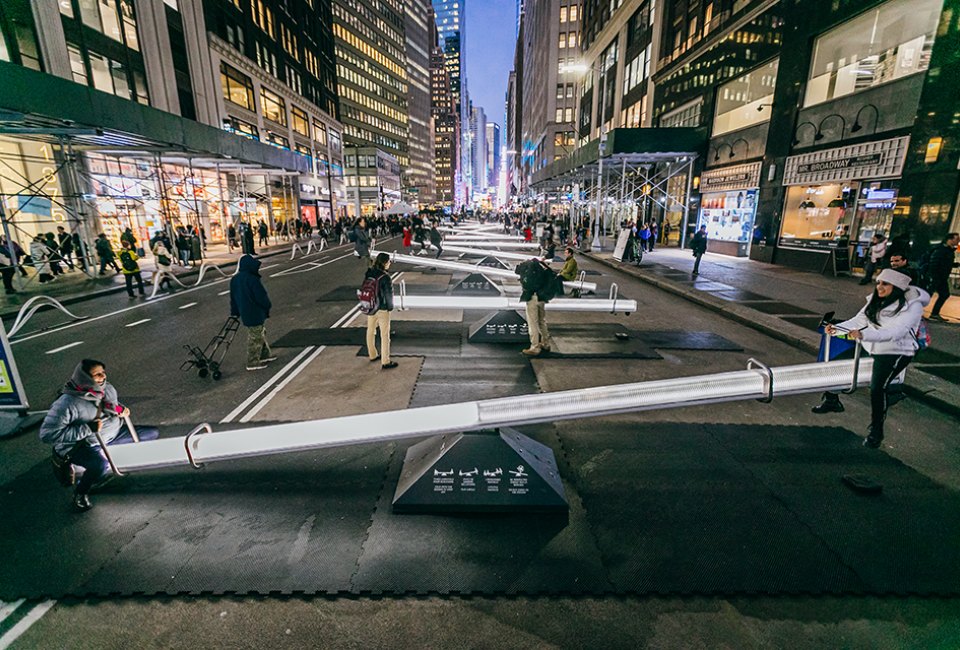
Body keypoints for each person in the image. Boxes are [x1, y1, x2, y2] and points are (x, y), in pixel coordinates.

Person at [812, 269, 929, 448]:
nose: (879, 287)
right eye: (878, 283)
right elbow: (857, 321)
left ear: (896, 287)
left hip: (897, 350)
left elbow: (895, 332)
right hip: (873, 344)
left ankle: (876, 430)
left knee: (877, 388)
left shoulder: (910, 308)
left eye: (885, 284)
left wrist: (863, 335)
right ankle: (832, 400)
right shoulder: (874, 301)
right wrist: (835, 329)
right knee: (837, 364)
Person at [39, 359, 160, 512]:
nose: (103, 376)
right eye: (97, 374)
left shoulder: (107, 388)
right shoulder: (66, 404)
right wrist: (87, 428)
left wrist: (120, 409)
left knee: (151, 433)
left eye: (103, 372)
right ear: (84, 377)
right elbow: (47, 435)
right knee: (99, 466)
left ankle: (102, 464)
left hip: (110, 435)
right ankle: (81, 492)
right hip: (83, 445)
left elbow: (110, 405)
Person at [230, 254, 276, 371]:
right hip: (255, 312)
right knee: (255, 336)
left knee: (259, 332)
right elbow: (261, 296)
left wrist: (235, 312)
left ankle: (265, 355)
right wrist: (267, 305)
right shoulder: (252, 279)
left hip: (245, 312)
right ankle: (252, 361)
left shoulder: (235, 279)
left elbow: (233, 298)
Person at [517, 257, 560, 357]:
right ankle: (546, 343)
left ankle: (535, 347)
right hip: (542, 297)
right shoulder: (542, 268)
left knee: (532, 323)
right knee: (541, 321)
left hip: (532, 298)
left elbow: (519, 273)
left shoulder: (530, 269)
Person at [362, 252, 398, 369]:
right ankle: (385, 361)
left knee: (371, 330)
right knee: (385, 335)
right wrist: (390, 307)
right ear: (385, 263)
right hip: (382, 308)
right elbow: (388, 294)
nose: (389, 264)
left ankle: (372, 354)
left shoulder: (370, 272)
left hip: (371, 306)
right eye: (389, 262)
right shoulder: (385, 277)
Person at [926, 232, 958, 321]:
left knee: (943, 294)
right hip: (937, 276)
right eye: (957, 239)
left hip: (942, 277)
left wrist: (954, 264)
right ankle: (929, 313)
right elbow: (934, 263)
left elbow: (945, 263)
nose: (958, 241)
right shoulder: (941, 250)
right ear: (950, 240)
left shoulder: (949, 250)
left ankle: (934, 313)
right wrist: (933, 276)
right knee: (928, 294)